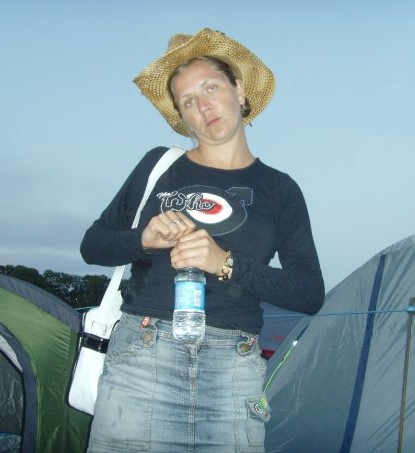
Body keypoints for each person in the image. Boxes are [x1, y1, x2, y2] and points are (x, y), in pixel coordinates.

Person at [80, 28, 324, 452]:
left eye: (211, 88)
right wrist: (144, 238)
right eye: (188, 101)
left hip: (234, 372)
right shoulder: (158, 166)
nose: (203, 106)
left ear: (240, 90)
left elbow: (309, 292)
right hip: (143, 357)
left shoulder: (280, 189)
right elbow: (93, 245)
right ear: (182, 117)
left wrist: (225, 263)